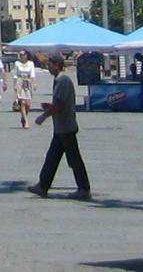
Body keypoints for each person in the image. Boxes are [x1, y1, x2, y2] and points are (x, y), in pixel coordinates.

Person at [29, 53, 93, 200]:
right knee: (52, 157)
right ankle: (43, 185)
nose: (48, 66)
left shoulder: (63, 81)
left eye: (50, 64)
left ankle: (83, 188)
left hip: (66, 128)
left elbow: (59, 105)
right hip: (61, 128)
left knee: (74, 160)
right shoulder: (59, 80)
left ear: (57, 65)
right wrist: (49, 106)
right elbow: (58, 104)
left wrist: (43, 116)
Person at [11, 50, 38, 127]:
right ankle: (26, 121)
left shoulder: (30, 63)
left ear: (27, 55)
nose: (22, 56)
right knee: (22, 102)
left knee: (28, 104)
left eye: (23, 54)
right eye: (21, 54)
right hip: (20, 81)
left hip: (28, 82)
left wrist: (34, 83)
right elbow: (15, 75)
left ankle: (24, 116)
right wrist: (15, 86)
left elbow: (32, 74)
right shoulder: (17, 63)